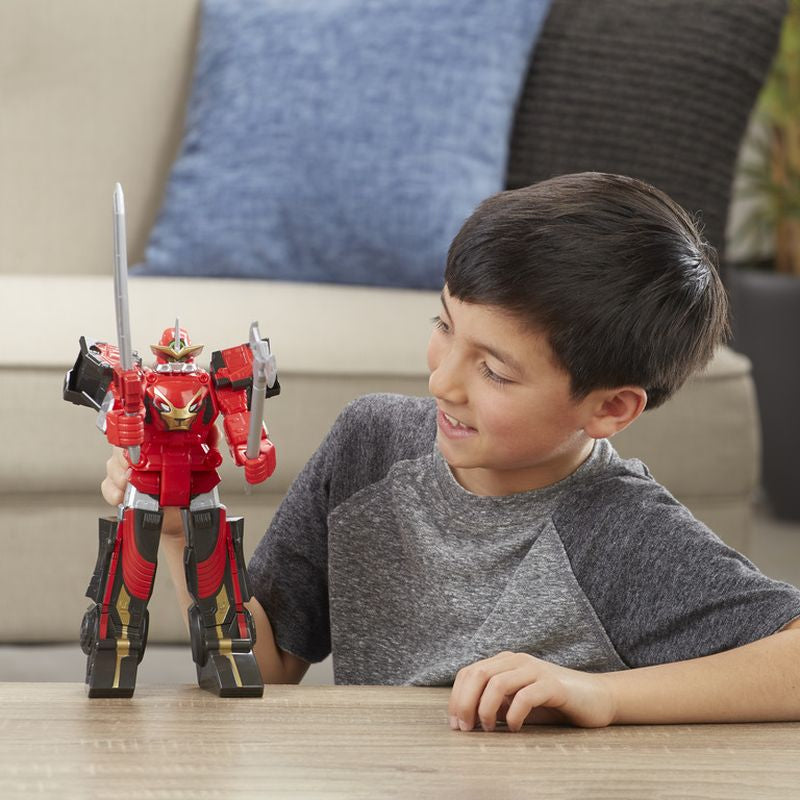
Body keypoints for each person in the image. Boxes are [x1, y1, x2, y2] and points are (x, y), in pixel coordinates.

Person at [102, 172, 800, 732]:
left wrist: (604, 695)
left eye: (494, 370)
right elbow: (266, 663)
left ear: (609, 409)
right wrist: (180, 529)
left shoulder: (622, 531)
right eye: (443, 324)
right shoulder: (369, 446)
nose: (441, 381)